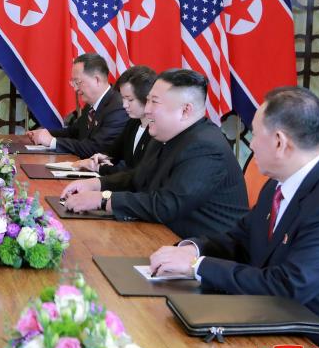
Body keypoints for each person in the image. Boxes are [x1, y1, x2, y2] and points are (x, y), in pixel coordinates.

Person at [149, 87, 319, 348]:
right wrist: (194, 248)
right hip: (263, 321)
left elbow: (287, 286)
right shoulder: (276, 185)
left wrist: (196, 265)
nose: (252, 143)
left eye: (257, 134)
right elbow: (241, 238)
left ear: (280, 142)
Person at [61, 69, 248, 239]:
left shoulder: (206, 147)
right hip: (160, 235)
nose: (147, 108)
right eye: (148, 100)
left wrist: (103, 200)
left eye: (154, 102)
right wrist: (96, 184)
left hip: (199, 253)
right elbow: (139, 176)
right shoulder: (164, 134)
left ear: (185, 110)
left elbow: (166, 204)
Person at [26, 53, 128, 158]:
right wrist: (44, 133)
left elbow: (95, 148)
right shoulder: (91, 106)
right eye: (73, 83)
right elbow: (73, 132)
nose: (75, 89)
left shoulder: (118, 108)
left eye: (78, 82)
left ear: (96, 80)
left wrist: (52, 141)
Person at [73, 65, 155, 175]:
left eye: (130, 99)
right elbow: (114, 151)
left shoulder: (157, 131)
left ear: (147, 98)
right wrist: (102, 157)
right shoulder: (133, 123)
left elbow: (136, 173)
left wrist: (99, 168)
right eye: (123, 98)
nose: (124, 105)